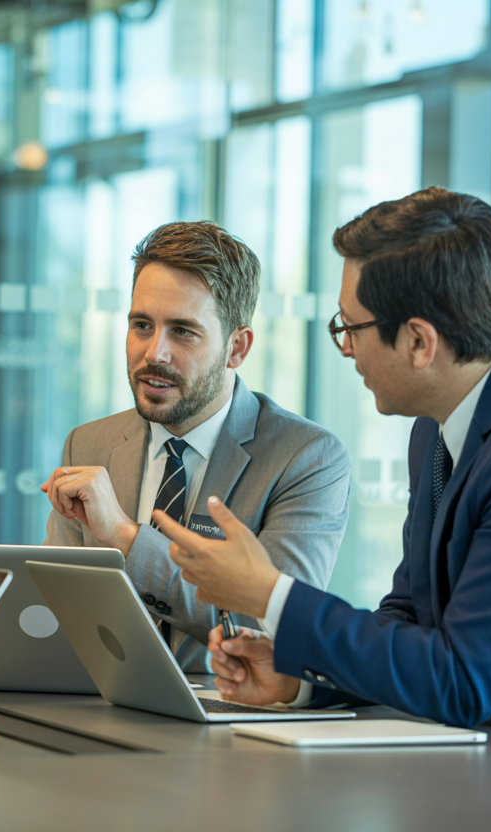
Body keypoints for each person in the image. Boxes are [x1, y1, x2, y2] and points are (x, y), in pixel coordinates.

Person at [158, 187, 491, 746]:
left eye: (351, 327)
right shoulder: (437, 422)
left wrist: (268, 593)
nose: (346, 349)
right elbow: (412, 619)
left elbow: (462, 680)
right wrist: (301, 680)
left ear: (419, 342)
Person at [41, 221, 351, 671]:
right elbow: (57, 607)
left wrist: (127, 539)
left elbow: (273, 626)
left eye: (183, 331)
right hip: (94, 701)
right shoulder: (88, 443)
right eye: (141, 325)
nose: (154, 353)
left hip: (224, 708)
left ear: (236, 348)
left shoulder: (306, 458)